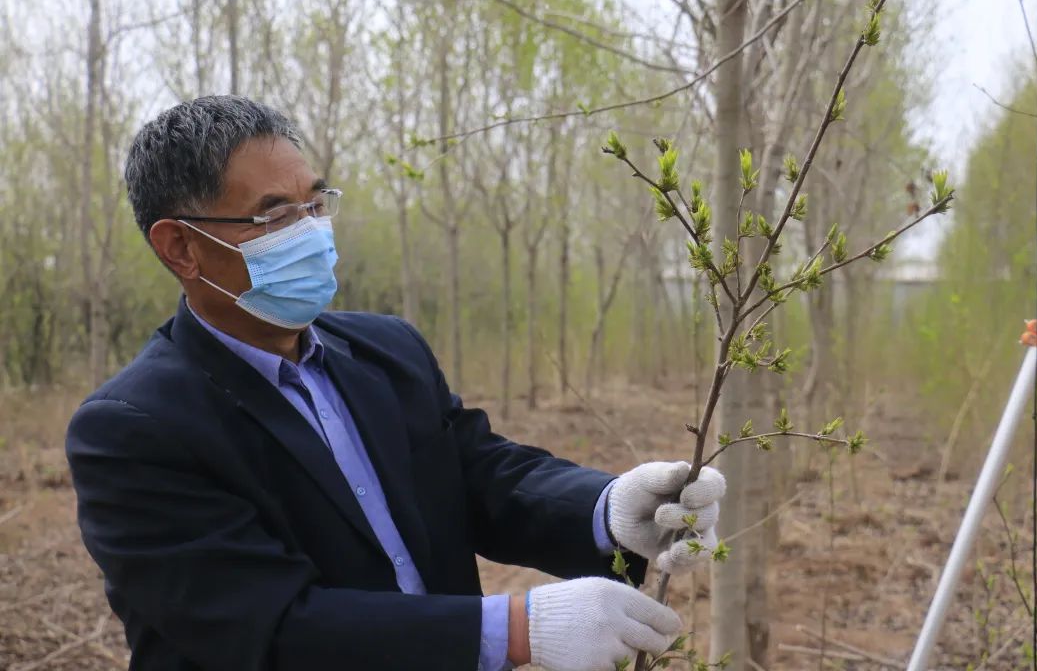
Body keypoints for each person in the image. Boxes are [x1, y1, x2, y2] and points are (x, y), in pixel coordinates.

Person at [66, 95, 726, 671]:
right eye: (273, 217)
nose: (311, 234)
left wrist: (605, 509)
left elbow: (478, 477)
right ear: (179, 247)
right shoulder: (133, 431)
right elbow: (268, 628)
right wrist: (515, 631)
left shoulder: (384, 351)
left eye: (315, 203)